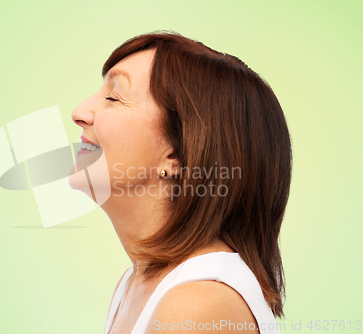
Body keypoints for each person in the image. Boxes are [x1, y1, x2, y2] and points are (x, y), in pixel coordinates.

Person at [68, 31, 291, 334]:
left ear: (176, 154)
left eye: (113, 97)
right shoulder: (133, 285)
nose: (79, 113)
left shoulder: (197, 302)